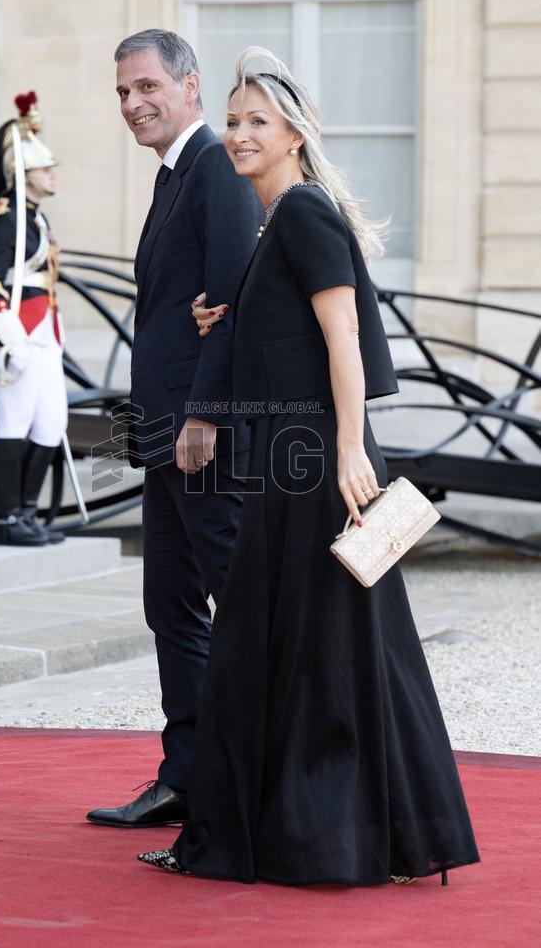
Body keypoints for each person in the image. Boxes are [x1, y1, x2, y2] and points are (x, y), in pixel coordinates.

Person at [138, 48, 480, 885]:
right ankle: (349, 836)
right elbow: (296, 332)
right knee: (323, 650)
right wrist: (230, 323)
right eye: (234, 120)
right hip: (294, 461)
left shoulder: (300, 213)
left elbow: (345, 341)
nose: (240, 134)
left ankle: (330, 837)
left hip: (316, 463)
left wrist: (351, 449)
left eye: (259, 121)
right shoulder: (277, 223)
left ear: (295, 133)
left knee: (317, 651)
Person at [85, 30, 261, 828]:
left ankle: (258, 782)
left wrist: (204, 414)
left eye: (147, 86)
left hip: (201, 436)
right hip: (162, 433)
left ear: (190, 85)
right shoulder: (173, 176)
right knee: (171, 606)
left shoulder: (217, 168)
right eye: (123, 92)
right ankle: (185, 776)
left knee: (237, 602)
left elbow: (228, 300)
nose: (133, 104)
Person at [0, 92, 67, 546]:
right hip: (13, 334)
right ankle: (6, 520)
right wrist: (13, 342)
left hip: (43, 330)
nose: (52, 173)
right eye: (45, 168)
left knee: (51, 424)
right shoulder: (3, 219)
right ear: (23, 174)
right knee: (15, 420)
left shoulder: (35, 219)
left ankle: (27, 513)